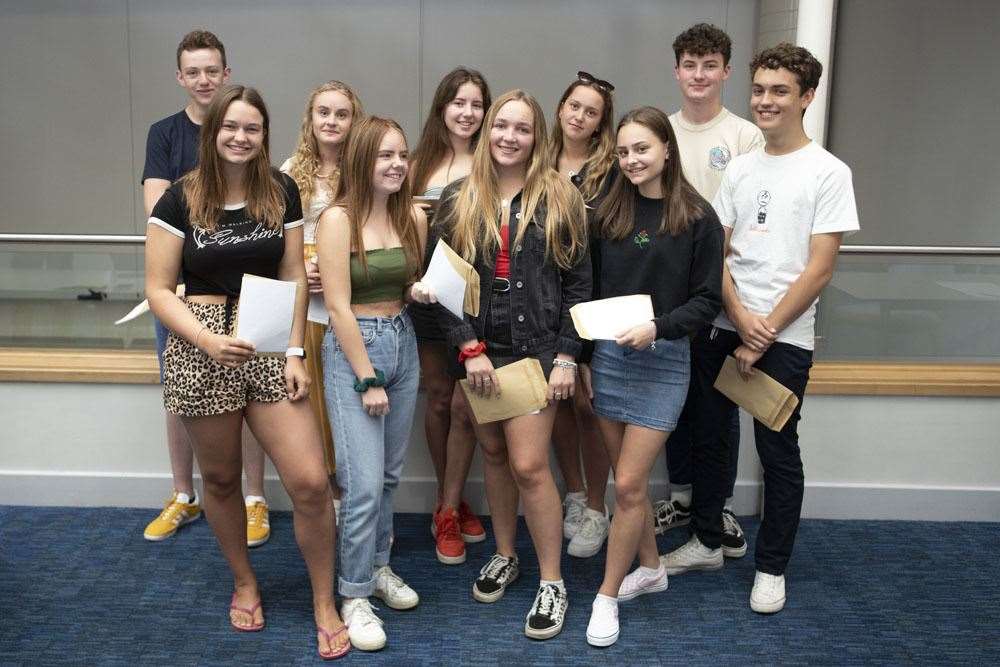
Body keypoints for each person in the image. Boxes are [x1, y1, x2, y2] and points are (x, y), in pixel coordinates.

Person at [145, 84, 348, 659]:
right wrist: (207, 339)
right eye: (230, 126)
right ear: (213, 133)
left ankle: (323, 600)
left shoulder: (280, 190)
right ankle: (244, 581)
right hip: (201, 343)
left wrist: (293, 353)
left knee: (309, 481)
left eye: (252, 128)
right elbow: (159, 290)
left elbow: (289, 273)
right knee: (222, 479)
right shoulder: (180, 200)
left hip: (266, 344)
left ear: (264, 136)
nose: (240, 137)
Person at [660, 43, 859, 615]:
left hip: (786, 339)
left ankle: (771, 568)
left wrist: (765, 330)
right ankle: (705, 540)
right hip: (727, 325)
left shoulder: (829, 173)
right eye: (761, 90)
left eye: (780, 91)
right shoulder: (742, 168)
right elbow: (716, 255)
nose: (766, 101)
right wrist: (741, 319)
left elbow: (820, 268)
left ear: (807, 97)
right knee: (709, 436)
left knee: (777, 452)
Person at [431, 89, 590, 640]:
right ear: (487, 130)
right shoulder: (458, 197)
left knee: (528, 466)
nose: (508, 137)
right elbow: (444, 286)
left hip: (539, 352)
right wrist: (467, 348)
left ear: (536, 137)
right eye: (501, 125)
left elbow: (580, 284)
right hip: (480, 353)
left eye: (522, 128)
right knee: (494, 455)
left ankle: (553, 581)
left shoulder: (561, 198)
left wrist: (569, 354)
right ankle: (504, 553)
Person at [582, 107, 723, 647]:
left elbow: (708, 301)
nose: (632, 159)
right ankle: (652, 568)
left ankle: (606, 597)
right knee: (629, 483)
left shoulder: (698, 217)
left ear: (667, 148)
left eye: (642, 148)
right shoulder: (606, 211)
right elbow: (589, 290)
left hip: (663, 360)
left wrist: (658, 328)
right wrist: (588, 359)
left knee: (630, 485)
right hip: (612, 359)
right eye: (623, 151)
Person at [141, 30, 272, 548]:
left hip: (248, 296)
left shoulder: (242, 127)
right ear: (180, 77)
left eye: (211, 70)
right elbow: (160, 209)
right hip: (182, 291)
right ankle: (182, 494)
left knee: (252, 394)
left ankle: (255, 499)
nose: (203, 79)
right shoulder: (165, 134)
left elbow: (256, 207)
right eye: (192, 71)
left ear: (226, 73)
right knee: (184, 397)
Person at [652, 23, 765, 559]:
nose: (699, 75)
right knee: (671, 399)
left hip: (722, 290)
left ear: (725, 71)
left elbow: (746, 221)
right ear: (677, 71)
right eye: (689, 65)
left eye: (709, 65)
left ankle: (715, 507)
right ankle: (681, 497)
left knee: (717, 407)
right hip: (669, 295)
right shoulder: (662, 131)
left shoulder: (745, 136)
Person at [316, 116, 428, 651]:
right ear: (362, 159)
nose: (397, 165)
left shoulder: (411, 216)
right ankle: (353, 593)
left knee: (386, 476)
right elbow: (336, 304)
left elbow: (406, 286)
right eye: (385, 155)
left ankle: (378, 567)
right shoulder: (337, 219)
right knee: (359, 485)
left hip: (403, 341)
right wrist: (367, 378)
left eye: (402, 155)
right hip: (355, 348)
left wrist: (420, 292)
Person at [407, 67, 492, 564]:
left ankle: (448, 500)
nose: (467, 112)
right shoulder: (415, 165)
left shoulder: (493, 161)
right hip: (424, 301)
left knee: (467, 406)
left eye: (477, 104)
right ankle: (450, 502)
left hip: (476, 303)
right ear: (442, 107)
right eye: (458, 102)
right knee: (439, 401)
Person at [280, 80, 364, 516]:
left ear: (354, 120)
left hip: (352, 291)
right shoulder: (292, 170)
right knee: (315, 400)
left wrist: (335, 267)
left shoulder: (364, 168)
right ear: (311, 119)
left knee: (350, 393)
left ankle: (358, 496)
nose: (331, 121)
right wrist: (303, 266)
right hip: (307, 299)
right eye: (323, 113)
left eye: (341, 114)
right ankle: (328, 498)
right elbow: (281, 237)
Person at [546, 71, 616, 559]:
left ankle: (596, 506)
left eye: (591, 112)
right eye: (574, 105)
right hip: (545, 300)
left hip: (594, 299)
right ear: (560, 108)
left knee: (590, 405)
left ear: (599, 124)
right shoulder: (537, 161)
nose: (579, 116)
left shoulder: (610, 172)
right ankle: (572, 493)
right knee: (558, 400)